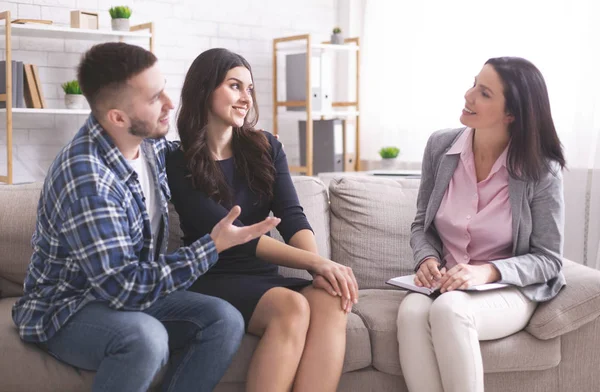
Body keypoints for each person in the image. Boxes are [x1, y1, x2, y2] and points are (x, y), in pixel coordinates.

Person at [11, 42, 281, 392]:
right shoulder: (87, 178)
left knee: (224, 319)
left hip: (125, 294)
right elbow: (124, 290)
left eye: (164, 88)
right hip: (69, 308)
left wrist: (251, 141)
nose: (170, 103)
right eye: (154, 98)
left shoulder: (151, 149)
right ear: (118, 118)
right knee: (146, 338)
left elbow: (197, 151)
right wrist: (212, 246)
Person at [166, 48, 359, 392]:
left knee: (331, 301)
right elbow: (237, 235)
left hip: (260, 276)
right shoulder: (177, 160)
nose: (246, 98)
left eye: (249, 89)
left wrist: (319, 270)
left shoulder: (266, 147)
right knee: (292, 307)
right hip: (212, 275)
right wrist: (317, 262)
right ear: (205, 89)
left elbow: (292, 217)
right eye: (235, 86)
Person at [396, 57, 566, 392]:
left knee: (450, 311)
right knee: (412, 312)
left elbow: (549, 260)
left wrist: (486, 271)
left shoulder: (541, 170)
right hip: (446, 282)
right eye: (474, 83)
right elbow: (422, 225)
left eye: (484, 93)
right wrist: (427, 259)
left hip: (508, 289)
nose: (468, 95)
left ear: (511, 114)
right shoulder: (440, 147)